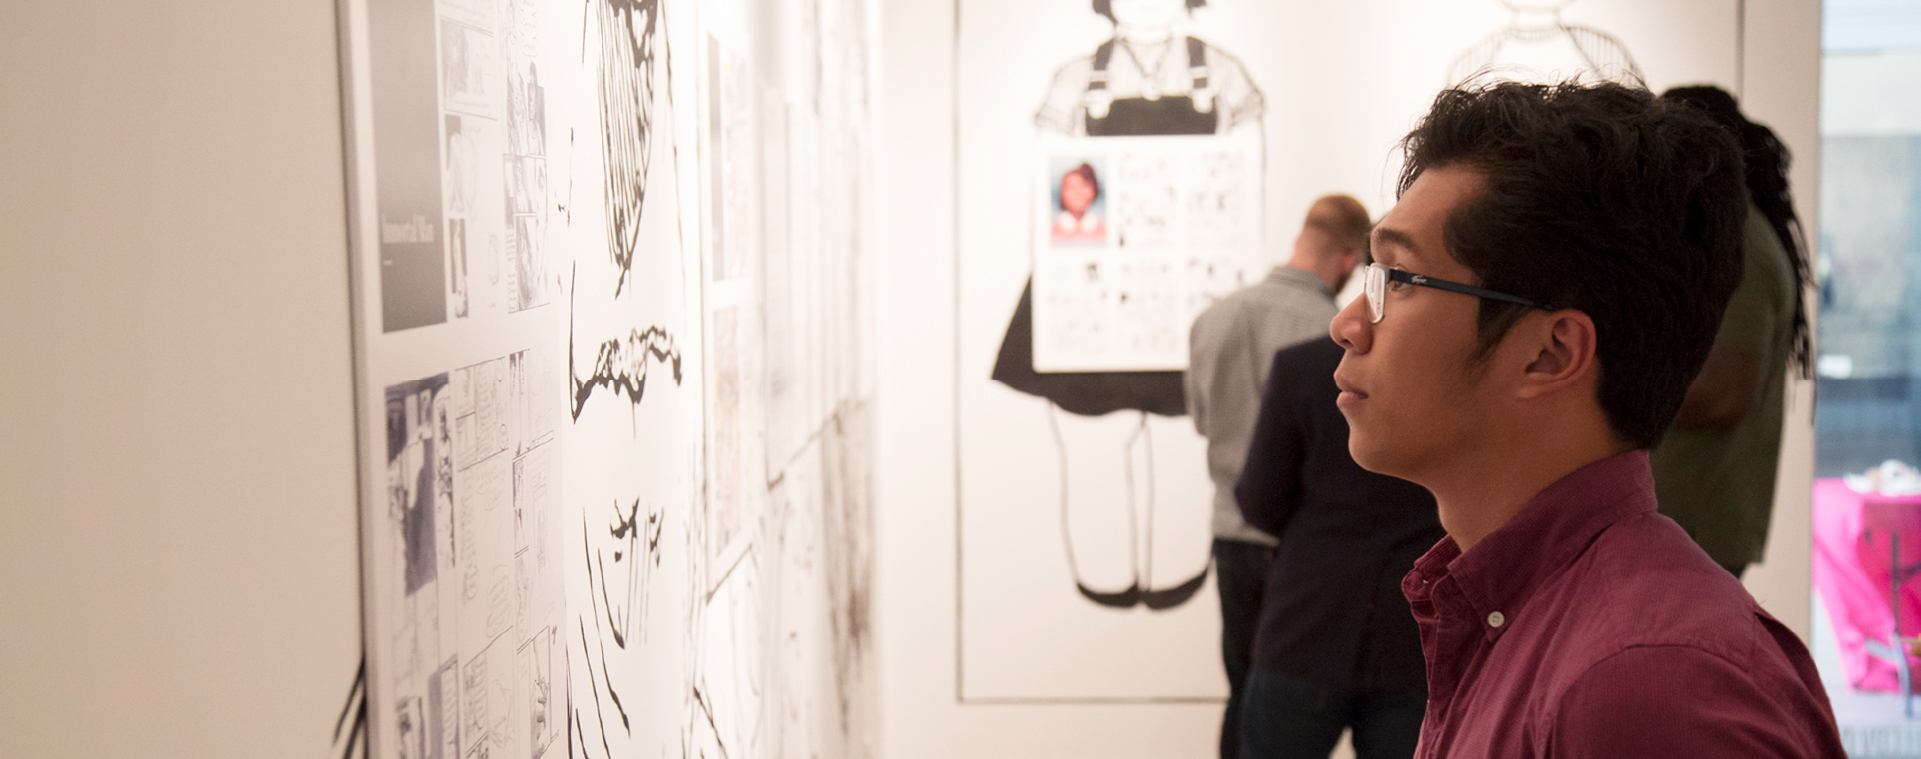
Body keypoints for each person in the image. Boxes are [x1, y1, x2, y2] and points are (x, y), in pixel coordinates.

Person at [1328, 81, 1845, 756]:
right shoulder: (1511, 614)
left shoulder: (1647, 681)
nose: (1345, 324)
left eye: (1399, 279)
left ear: (1549, 352)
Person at [993, 0, 1266, 610]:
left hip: (1190, 284)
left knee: (1182, 438)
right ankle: (1103, 574)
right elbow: (1049, 181)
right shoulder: (1074, 78)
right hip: (1093, 281)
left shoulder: (1222, 74)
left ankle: (1175, 574)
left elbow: (1246, 176)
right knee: (1091, 436)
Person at [1187, 195, 1370, 759]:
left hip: (1231, 535)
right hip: (1303, 552)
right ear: (1347, 257)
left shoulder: (1214, 316)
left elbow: (1200, 419)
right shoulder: (1337, 336)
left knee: (1244, 694)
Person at [1234, 336, 1443, 759]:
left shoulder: (1302, 364)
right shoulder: (1451, 366)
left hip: (1308, 614)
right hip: (1413, 625)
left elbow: (1258, 500)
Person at [1650, 85, 1812, 579]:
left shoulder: (1738, 244)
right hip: (1685, 521)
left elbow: (1723, 395)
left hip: (1694, 526)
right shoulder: (1717, 234)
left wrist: (1599, 396)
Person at [1051, 163, 1108, 243]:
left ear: (1093, 191)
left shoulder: (1103, 230)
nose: (1078, 192)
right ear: (1062, 193)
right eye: (1071, 187)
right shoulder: (1052, 231)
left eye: (1084, 186)